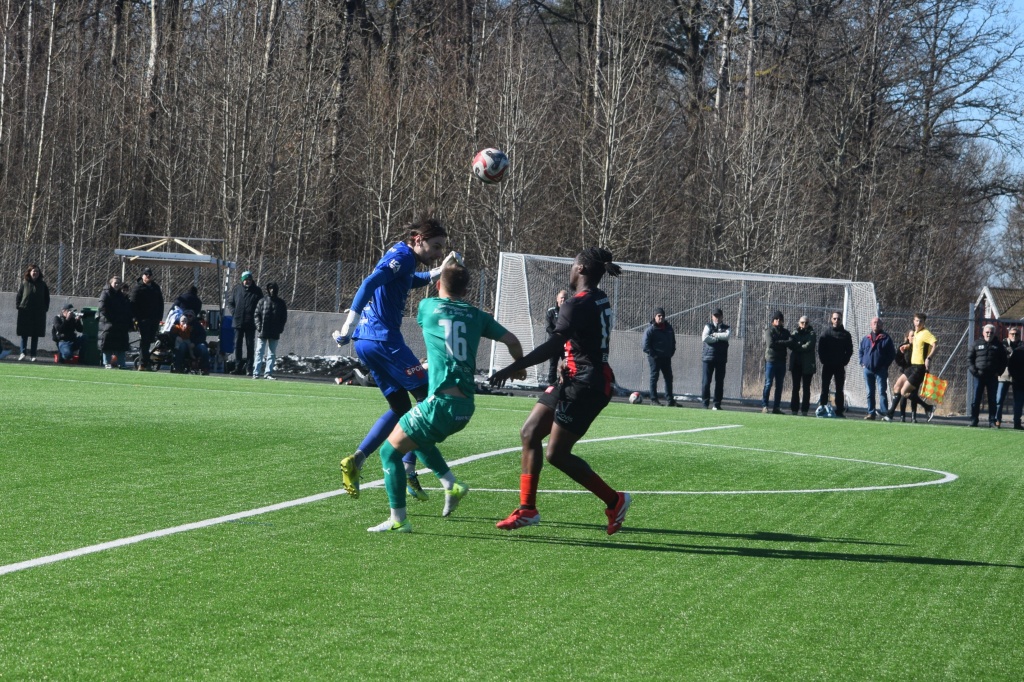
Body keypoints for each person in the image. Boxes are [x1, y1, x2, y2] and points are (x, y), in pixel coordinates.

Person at [368, 259, 526, 532]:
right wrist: (519, 367)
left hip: (440, 405)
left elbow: (436, 312)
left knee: (389, 452)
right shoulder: (478, 316)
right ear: (466, 290)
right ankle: (450, 484)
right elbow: (512, 340)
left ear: (439, 283)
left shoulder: (427, 307)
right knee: (417, 438)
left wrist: (442, 268)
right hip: (465, 406)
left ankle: (398, 520)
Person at [489, 247, 632, 535]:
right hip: (575, 377)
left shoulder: (576, 304)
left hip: (586, 384)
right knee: (530, 431)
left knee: (557, 454)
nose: (570, 269)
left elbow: (554, 344)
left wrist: (512, 367)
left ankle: (615, 500)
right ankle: (527, 509)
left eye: (572, 264)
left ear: (581, 269)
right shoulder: (598, 297)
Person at [336, 217, 449, 502]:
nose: (439, 252)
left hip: (367, 342)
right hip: (383, 340)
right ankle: (409, 468)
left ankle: (357, 460)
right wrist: (349, 321)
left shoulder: (403, 257)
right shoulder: (403, 256)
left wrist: (438, 271)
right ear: (418, 239)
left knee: (401, 407)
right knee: (429, 399)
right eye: (436, 246)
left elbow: (407, 281)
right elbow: (370, 282)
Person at [885, 314, 937, 422]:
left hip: (920, 368)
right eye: (917, 321)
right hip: (912, 367)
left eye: (921, 321)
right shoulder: (916, 333)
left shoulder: (925, 333)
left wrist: (929, 358)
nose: (918, 323)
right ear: (914, 321)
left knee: (904, 392)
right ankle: (890, 414)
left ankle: (928, 407)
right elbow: (917, 345)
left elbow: (935, 345)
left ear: (924, 322)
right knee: (897, 386)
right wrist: (907, 346)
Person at [967, 324, 1006, 428]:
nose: (989, 334)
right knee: (976, 399)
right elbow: (969, 359)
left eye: (991, 332)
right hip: (979, 376)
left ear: (994, 333)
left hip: (992, 377)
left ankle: (992, 421)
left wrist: (999, 372)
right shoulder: (976, 344)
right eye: (987, 332)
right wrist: (975, 372)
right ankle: (974, 420)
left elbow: (1004, 361)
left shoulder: (999, 345)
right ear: (983, 333)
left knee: (992, 400)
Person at [817, 310, 854, 417]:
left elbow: (849, 350)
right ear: (831, 319)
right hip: (827, 365)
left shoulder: (846, 335)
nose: (836, 320)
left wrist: (844, 361)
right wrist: (823, 360)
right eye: (834, 318)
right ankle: (822, 408)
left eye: (838, 319)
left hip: (839, 366)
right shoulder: (826, 333)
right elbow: (820, 349)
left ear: (841, 320)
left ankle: (839, 410)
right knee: (825, 387)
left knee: (839, 389)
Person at [859, 317, 897, 420]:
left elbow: (892, 354)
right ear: (871, 325)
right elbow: (861, 351)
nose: (876, 324)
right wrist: (862, 363)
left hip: (881, 370)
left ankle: (884, 413)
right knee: (869, 392)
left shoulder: (886, 338)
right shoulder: (866, 339)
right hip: (867, 370)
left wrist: (885, 365)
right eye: (874, 323)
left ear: (882, 325)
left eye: (878, 323)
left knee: (882, 392)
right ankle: (871, 413)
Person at [227, 271, 263, 375]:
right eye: (246, 280)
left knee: (250, 345)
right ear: (242, 280)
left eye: (249, 279)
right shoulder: (237, 289)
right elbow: (230, 302)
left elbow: (261, 305)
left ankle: (249, 368)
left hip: (250, 322)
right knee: (237, 345)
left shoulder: (257, 291)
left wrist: (257, 316)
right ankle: (237, 367)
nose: (248, 281)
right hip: (238, 322)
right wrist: (234, 312)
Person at [130, 267, 164, 371]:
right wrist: (135, 318)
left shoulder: (156, 287)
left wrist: (159, 318)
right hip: (143, 319)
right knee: (144, 341)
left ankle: (146, 361)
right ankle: (142, 364)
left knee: (150, 340)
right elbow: (133, 304)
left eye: (150, 275)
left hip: (154, 319)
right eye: (146, 274)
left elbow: (160, 303)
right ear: (142, 276)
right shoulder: (138, 288)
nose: (148, 276)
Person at [15, 264, 50, 362]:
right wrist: (18, 306)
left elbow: (47, 298)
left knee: (35, 334)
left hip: (38, 313)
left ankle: (33, 355)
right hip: (25, 312)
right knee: (24, 334)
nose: (35, 273)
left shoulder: (43, 285)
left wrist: (45, 308)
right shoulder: (24, 283)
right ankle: (22, 353)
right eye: (33, 271)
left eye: (37, 271)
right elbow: (19, 296)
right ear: (29, 272)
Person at [253, 282, 288, 380]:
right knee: (259, 352)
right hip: (263, 331)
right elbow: (256, 315)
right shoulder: (262, 301)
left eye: (273, 288)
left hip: (274, 331)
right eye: (270, 288)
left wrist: (280, 328)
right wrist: (259, 327)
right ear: (267, 289)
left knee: (272, 353)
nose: (272, 290)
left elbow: (283, 317)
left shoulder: (281, 303)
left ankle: (268, 373)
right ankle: (256, 372)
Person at [643, 307, 677, 406]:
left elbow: (673, 342)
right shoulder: (650, 329)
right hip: (655, 358)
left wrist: (671, 352)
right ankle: (654, 399)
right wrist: (654, 355)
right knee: (654, 377)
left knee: (668, 378)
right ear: (655, 317)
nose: (661, 317)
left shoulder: (668, 328)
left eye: (662, 316)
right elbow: (645, 346)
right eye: (659, 316)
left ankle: (670, 400)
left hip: (666, 357)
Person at [98, 274, 132, 369]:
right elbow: (102, 308)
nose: (117, 285)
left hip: (120, 324)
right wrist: (112, 318)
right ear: (111, 283)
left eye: (118, 283)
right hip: (108, 324)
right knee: (107, 344)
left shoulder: (121, 296)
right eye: (115, 283)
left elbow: (126, 309)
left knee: (121, 344)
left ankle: (122, 363)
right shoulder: (105, 293)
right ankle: (106, 362)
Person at [701, 308, 730, 410]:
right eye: (715, 316)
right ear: (712, 317)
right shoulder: (708, 326)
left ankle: (716, 404)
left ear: (722, 317)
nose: (717, 318)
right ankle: (705, 403)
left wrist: (715, 335)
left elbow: (727, 336)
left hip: (721, 359)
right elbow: (705, 338)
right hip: (708, 358)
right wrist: (717, 339)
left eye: (719, 316)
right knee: (706, 382)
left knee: (719, 382)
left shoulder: (727, 328)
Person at [762, 311, 790, 414]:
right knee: (768, 383)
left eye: (780, 319)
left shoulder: (785, 332)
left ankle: (776, 407)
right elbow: (770, 344)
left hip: (781, 361)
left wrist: (779, 342)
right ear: (772, 321)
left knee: (779, 385)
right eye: (776, 319)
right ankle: (765, 406)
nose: (778, 321)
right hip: (771, 360)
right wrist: (784, 343)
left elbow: (790, 342)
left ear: (782, 321)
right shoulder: (769, 331)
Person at [789, 315, 817, 416]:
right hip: (796, 364)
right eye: (802, 322)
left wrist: (798, 346)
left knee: (806, 388)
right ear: (799, 323)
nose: (804, 324)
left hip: (807, 365)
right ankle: (794, 409)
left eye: (806, 323)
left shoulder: (812, 333)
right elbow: (791, 344)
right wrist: (800, 345)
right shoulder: (794, 333)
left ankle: (805, 410)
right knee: (795, 387)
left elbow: (809, 345)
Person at [892, 330, 921, 422]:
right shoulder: (903, 346)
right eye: (911, 336)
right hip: (906, 372)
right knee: (903, 393)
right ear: (908, 337)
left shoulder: (919, 347)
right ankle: (902, 416)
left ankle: (913, 417)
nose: (913, 337)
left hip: (915, 373)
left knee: (914, 393)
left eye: (915, 335)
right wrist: (901, 354)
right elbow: (898, 359)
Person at [1001, 326, 1024, 430]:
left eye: (1016, 334)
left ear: (1019, 335)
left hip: (1019, 377)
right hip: (1004, 374)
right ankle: (996, 421)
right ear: (1008, 334)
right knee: (999, 399)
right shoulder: (1003, 344)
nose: (1014, 336)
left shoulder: (1021, 347)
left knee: (1018, 401)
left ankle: (1017, 422)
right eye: (1012, 334)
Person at [545, 290, 569, 385]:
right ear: (557, 299)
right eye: (562, 298)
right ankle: (551, 385)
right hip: (554, 343)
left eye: (565, 298)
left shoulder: (569, 311)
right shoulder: (551, 311)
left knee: (567, 365)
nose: (563, 300)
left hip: (565, 344)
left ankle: (566, 384)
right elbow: (548, 327)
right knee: (553, 365)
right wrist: (556, 337)